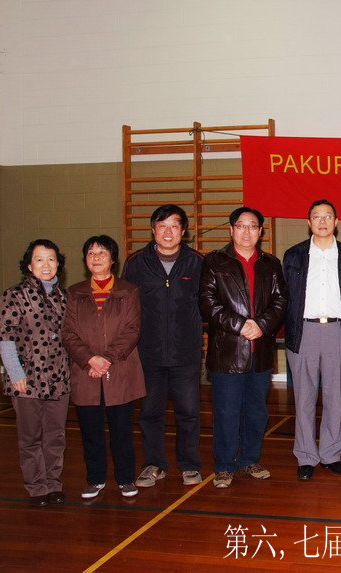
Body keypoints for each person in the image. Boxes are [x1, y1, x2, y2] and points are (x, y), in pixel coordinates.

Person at [200, 206, 288, 489]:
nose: (246, 231)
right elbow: (207, 302)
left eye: (252, 226)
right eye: (241, 225)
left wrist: (261, 325)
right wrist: (240, 325)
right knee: (226, 412)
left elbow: (281, 301)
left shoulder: (271, 264)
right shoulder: (214, 262)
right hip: (227, 352)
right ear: (231, 230)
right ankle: (224, 466)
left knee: (256, 412)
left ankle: (250, 460)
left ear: (260, 232)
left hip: (260, 352)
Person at [122, 204, 205, 488]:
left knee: (188, 413)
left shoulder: (197, 262)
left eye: (174, 226)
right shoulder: (136, 263)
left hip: (186, 354)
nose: (168, 232)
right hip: (148, 355)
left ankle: (189, 465)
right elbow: (126, 309)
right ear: (153, 229)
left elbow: (206, 305)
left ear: (184, 231)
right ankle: (154, 464)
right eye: (162, 225)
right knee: (149, 413)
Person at [283, 200, 341, 481]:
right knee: (303, 398)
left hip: (337, 332)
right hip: (303, 331)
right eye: (316, 217)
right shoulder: (293, 256)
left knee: (334, 397)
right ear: (308, 223)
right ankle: (306, 456)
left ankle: (331, 454)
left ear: (336, 221)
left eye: (327, 216)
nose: (322, 221)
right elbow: (284, 297)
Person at [62, 235, 146, 499]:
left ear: (113, 259)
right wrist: (90, 359)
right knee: (91, 431)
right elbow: (68, 333)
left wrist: (106, 359)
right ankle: (95, 479)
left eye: (102, 252)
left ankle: (125, 479)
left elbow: (132, 330)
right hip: (86, 372)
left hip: (120, 370)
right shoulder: (74, 293)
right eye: (90, 253)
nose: (96, 257)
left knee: (122, 431)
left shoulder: (129, 291)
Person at [0, 240, 70, 507]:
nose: (46, 265)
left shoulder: (64, 297)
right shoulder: (14, 295)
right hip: (27, 379)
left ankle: (53, 483)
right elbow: (5, 337)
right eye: (39, 259)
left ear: (58, 264)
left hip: (58, 379)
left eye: (51, 259)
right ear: (29, 265)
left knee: (55, 436)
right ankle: (37, 486)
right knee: (30, 438)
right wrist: (16, 373)